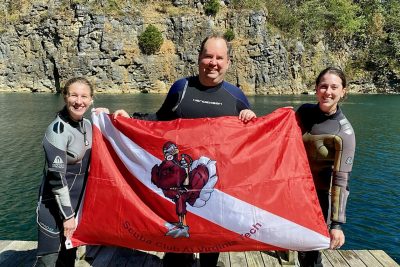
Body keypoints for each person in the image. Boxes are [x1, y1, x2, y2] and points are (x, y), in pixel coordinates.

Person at [113, 34, 256, 267]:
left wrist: (251, 119)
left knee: (211, 248)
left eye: (219, 58)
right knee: (177, 254)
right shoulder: (182, 88)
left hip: (216, 187)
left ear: (228, 63)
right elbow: (159, 121)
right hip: (180, 183)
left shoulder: (237, 98)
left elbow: (249, 143)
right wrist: (130, 119)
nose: (213, 62)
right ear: (199, 58)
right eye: (208, 56)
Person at [296, 67, 356, 267]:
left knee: (310, 256)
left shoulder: (344, 132)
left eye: (334, 87)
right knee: (298, 247)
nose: (327, 92)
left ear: (343, 91)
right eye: (323, 86)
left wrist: (337, 224)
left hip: (320, 199)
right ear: (316, 89)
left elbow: (341, 180)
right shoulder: (304, 112)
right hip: (296, 193)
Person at [34, 77, 95, 267]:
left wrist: (112, 116)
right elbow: (56, 178)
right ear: (65, 97)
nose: (79, 101)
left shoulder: (88, 126)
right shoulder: (57, 131)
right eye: (73, 95)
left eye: (84, 96)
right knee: (49, 260)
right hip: (54, 207)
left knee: (68, 257)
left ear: (91, 100)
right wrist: (68, 216)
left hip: (76, 206)